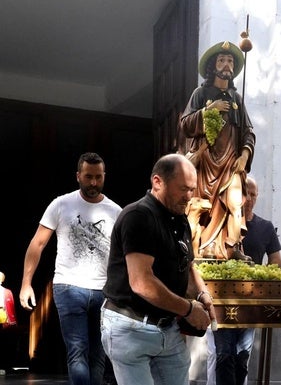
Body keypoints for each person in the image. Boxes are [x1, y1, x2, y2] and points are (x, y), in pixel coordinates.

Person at [101, 153, 216, 385]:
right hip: (130, 325)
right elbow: (141, 282)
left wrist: (203, 296)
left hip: (169, 328)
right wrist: (188, 309)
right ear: (157, 182)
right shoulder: (138, 216)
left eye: (192, 189)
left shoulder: (180, 218)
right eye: (183, 189)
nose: (189, 197)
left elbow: (189, 264)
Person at [19, 152, 121, 385]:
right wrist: (26, 283)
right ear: (78, 176)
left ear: (104, 176)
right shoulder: (61, 204)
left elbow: (124, 255)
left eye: (98, 177)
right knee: (77, 350)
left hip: (103, 290)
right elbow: (38, 243)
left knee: (98, 354)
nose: (93, 183)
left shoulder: (116, 211)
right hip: (68, 286)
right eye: (88, 177)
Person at [177, 40, 256, 260]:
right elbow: (185, 125)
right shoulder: (200, 94)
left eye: (230, 60)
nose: (226, 64)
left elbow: (248, 131)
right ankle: (200, 248)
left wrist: (244, 155)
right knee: (202, 207)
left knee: (234, 203)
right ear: (213, 66)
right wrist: (208, 110)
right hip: (205, 163)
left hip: (230, 163)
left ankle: (233, 248)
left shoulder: (236, 99)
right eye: (221, 60)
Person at [206, 176, 281, 385]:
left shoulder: (265, 227)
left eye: (253, 194)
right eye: (245, 193)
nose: (249, 198)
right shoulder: (221, 224)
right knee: (223, 355)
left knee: (242, 356)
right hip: (221, 302)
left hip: (251, 304)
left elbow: (277, 263)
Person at [0, 271, 18, 376]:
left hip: (3, 317)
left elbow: (11, 307)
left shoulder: (7, 292)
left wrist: (12, 321)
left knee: (3, 343)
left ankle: (2, 366)